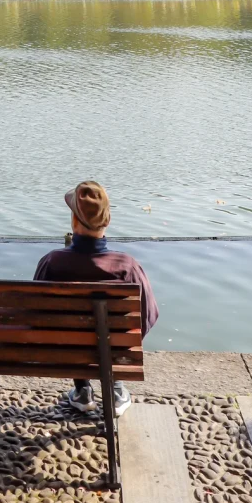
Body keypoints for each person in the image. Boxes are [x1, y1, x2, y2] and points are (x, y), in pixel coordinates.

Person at [34, 179, 158, 418]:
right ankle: (116, 388)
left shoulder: (52, 262)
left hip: (63, 352)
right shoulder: (127, 267)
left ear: (73, 221)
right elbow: (147, 318)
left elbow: (35, 316)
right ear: (108, 221)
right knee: (119, 332)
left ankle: (82, 390)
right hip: (113, 350)